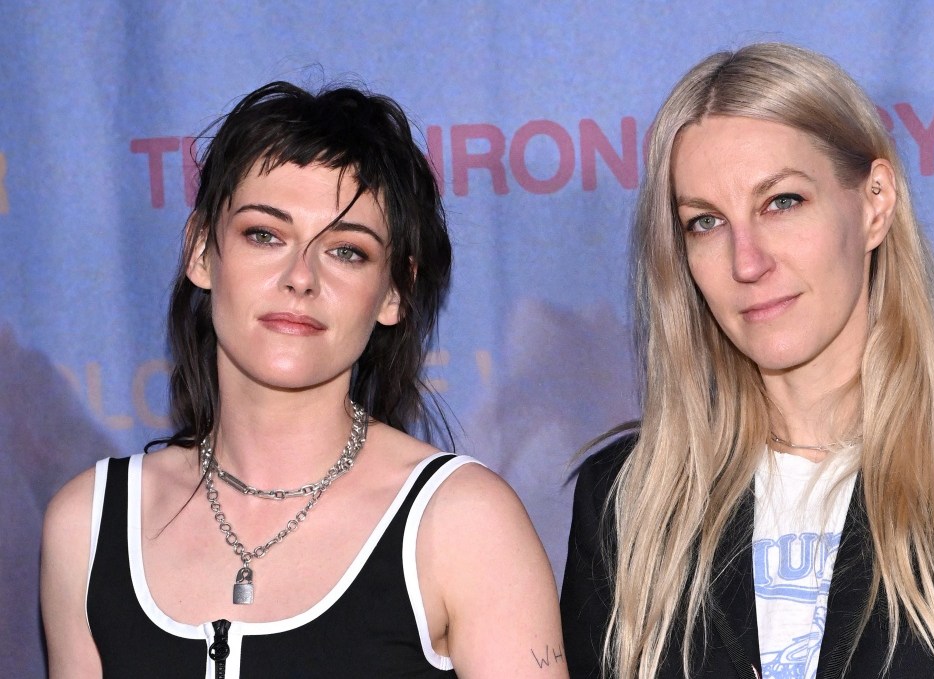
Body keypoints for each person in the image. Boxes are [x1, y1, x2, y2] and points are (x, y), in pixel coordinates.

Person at [560, 43, 934, 679]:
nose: (747, 261)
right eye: (706, 222)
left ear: (875, 202)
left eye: (782, 202)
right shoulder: (627, 502)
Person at [41, 82, 567, 678]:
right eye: (264, 235)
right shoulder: (86, 527)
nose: (301, 277)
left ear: (394, 292)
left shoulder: (464, 523)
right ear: (201, 252)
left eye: (347, 251)